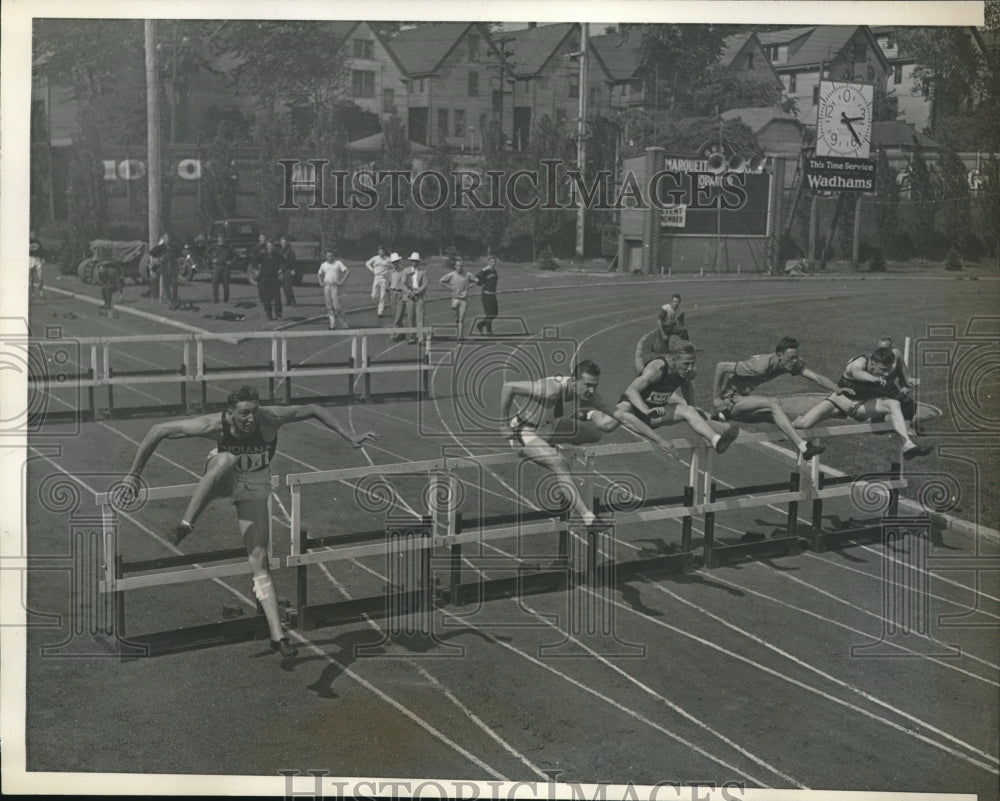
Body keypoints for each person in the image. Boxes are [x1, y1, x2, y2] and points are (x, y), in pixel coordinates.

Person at [117, 386, 379, 662]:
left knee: (259, 559)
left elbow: (314, 409)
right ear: (230, 414)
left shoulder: (270, 418)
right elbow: (158, 430)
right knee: (226, 459)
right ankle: (186, 523)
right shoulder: (213, 424)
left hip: (254, 482)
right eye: (244, 414)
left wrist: (348, 435)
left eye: (254, 412)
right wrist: (133, 475)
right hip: (222, 476)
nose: (251, 419)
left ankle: (278, 637)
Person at [500, 360, 678, 526]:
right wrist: (503, 424)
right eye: (588, 385)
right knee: (559, 462)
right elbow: (509, 387)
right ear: (574, 381)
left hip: (550, 427)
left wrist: (659, 439)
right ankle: (588, 517)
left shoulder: (590, 396)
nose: (592, 391)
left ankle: (585, 415)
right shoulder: (551, 389)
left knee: (594, 434)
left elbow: (623, 417)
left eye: (595, 386)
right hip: (524, 431)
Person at [792, 347, 933, 460]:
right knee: (804, 424)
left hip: (863, 405)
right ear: (871, 363)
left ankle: (908, 445)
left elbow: (898, 354)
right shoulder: (857, 364)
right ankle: (791, 425)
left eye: (888, 370)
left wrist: (906, 379)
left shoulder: (889, 360)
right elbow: (857, 372)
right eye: (883, 370)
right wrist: (873, 379)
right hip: (840, 400)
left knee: (893, 404)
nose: (886, 373)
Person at [712, 337, 839, 461]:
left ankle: (722, 418)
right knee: (773, 403)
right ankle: (804, 447)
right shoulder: (758, 366)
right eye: (791, 358)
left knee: (778, 417)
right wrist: (717, 398)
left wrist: (837, 388)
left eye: (796, 357)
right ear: (779, 355)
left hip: (742, 403)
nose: (795, 361)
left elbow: (815, 377)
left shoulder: (785, 364)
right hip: (730, 402)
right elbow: (721, 366)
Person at [617, 342, 740, 455]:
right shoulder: (657, 369)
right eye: (686, 363)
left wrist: (692, 407)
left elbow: (687, 386)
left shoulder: (689, 373)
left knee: (689, 411)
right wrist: (645, 410)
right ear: (673, 359)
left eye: (693, 363)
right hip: (635, 414)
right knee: (613, 418)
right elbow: (631, 390)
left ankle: (716, 441)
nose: (690, 368)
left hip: (655, 415)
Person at [633, 293, 688, 372]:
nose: (675, 303)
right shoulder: (666, 309)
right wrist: (663, 334)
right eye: (674, 301)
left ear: (680, 302)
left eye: (677, 302)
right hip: (664, 327)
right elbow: (659, 321)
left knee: (683, 331)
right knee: (663, 351)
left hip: (672, 327)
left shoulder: (680, 310)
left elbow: (682, 323)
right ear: (671, 302)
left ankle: (687, 348)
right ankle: (655, 346)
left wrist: (681, 330)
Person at [878, 336, 919, 433]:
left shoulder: (896, 354)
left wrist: (905, 385)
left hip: (891, 390)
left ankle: (906, 426)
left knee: (909, 404)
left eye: (885, 350)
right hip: (877, 393)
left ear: (890, 349)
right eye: (880, 350)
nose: (882, 353)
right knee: (878, 429)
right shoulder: (873, 360)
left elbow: (904, 374)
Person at [318, 248, 349, 330]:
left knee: (336, 307)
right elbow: (319, 274)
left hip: (335, 286)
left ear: (334, 256)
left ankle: (343, 323)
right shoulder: (324, 264)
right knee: (329, 306)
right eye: (328, 256)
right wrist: (321, 282)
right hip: (327, 286)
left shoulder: (338, 263)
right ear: (326, 256)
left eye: (331, 256)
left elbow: (347, 272)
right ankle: (332, 324)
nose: (330, 257)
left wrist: (341, 282)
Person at [439, 256, 471, 338]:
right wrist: (449, 287)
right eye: (458, 266)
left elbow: (477, 281)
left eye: (461, 266)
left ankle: (460, 336)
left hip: (464, 300)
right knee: (456, 318)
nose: (459, 267)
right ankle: (457, 332)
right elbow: (441, 281)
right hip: (455, 299)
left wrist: (468, 286)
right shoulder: (452, 275)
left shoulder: (467, 274)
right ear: (455, 266)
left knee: (461, 318)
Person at [149, 233, 181, 309]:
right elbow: (151, 252)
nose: (167, 240)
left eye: (168, 238)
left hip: (173, 267)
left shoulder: (173, 246)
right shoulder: (161, 247)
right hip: (165, 268)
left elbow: (180, 252)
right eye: (166, 238)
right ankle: (170, 301)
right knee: (166, 285)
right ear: (163, 239)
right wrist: (159, 258)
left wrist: (175, 258)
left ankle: (174, 300)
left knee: (174, 284)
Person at [402, 252, 428, 344]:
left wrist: (417, 292)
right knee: (410, 317)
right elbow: (403, 284)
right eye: (413, 261)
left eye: (416, 261)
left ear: (419, 262)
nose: (414, 263)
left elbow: (425, 284)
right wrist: (410, 293)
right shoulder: (406, 271)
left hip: (419, 295)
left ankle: (420, 338)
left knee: (420, 317)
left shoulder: (423, 272)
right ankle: (412, 336)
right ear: (410, 261)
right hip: (410, 296)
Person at [256, 239, 285, 321]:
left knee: (277, 297)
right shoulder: (262, 255)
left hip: (274, 278)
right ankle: (269, 314)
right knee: (266, 298)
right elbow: (254, 261)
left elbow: (285, 264)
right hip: (264, 278)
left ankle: (278, 313)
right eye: (268, 246)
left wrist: (281, 270)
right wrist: (257, 269)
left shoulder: (278, 255)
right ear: (266, 247)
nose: (270, 248)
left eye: (271, 246)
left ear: (274, 247)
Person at [471, 255, 499, 335]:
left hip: (493, 295)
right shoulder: (485, 270)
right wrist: (481, 284)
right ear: (488, 262)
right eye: (492, 262)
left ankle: (480, 324)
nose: (493, 263)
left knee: (495, 314)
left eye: (494, 262)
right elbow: (475, 278)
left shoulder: (494, 271)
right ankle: (489, 332)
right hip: (486, 295)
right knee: (489, 314)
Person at [207, 232, 236, 304]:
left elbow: (236, 255)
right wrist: (212, 259)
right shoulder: (215, 246)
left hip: (226, 267)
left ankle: (226, 299)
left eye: (222, 239)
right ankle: (215, 299)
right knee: (214, 283)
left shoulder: (228, 247)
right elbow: (207, 252)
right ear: (217, 239)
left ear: (224, 240)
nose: (220, 241)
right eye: (219, 239)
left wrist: (231, 262)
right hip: (217, 266)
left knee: (226, 284)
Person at [365, 246, 392, 318]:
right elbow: (367, 263)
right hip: (376, 277)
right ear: (378, 252)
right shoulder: (375, 258)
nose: (381, 252)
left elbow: (392, 267)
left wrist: (389, 277)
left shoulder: (388, 259)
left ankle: (380, 312)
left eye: (382, 251)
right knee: (373, 296)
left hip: (384, 278)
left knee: (382, 296)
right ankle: (378, 306)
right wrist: (372, 270)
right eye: (380, 251)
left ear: (384, 252)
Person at [387, 252, 407, 341]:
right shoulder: (390, 272)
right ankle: (401, 333)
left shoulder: (403, 271)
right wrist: (388, 289)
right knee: (395, 315)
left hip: (400, 293)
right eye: (393, 262)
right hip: (392, 293)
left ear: (398, 261)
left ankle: (394, 332)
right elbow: (388, 282)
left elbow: (406, 283)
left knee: (399, 314)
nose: (395, 263)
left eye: (396, 261)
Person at [278, 237, 297, 307]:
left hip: (287, 270)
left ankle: (293, 301)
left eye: (284, 243)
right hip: (281, 270)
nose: (283, 244)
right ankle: (288, 300)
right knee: (284, 287)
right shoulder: (279, 251)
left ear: (287, 243)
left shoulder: (290, 251)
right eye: (282, 243)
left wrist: (293, 269)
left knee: (288, 286)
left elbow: (291, 262)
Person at [29, 231, 45, 300]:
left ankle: (40, 289)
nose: (32, 235)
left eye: (33, 234)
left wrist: (43, 258)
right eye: (31, 234)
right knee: (31, 279)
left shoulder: (38, 242)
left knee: (40, 277)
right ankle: (32, 294)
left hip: (38, 260)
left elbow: (42, 250)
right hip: (30, 260)